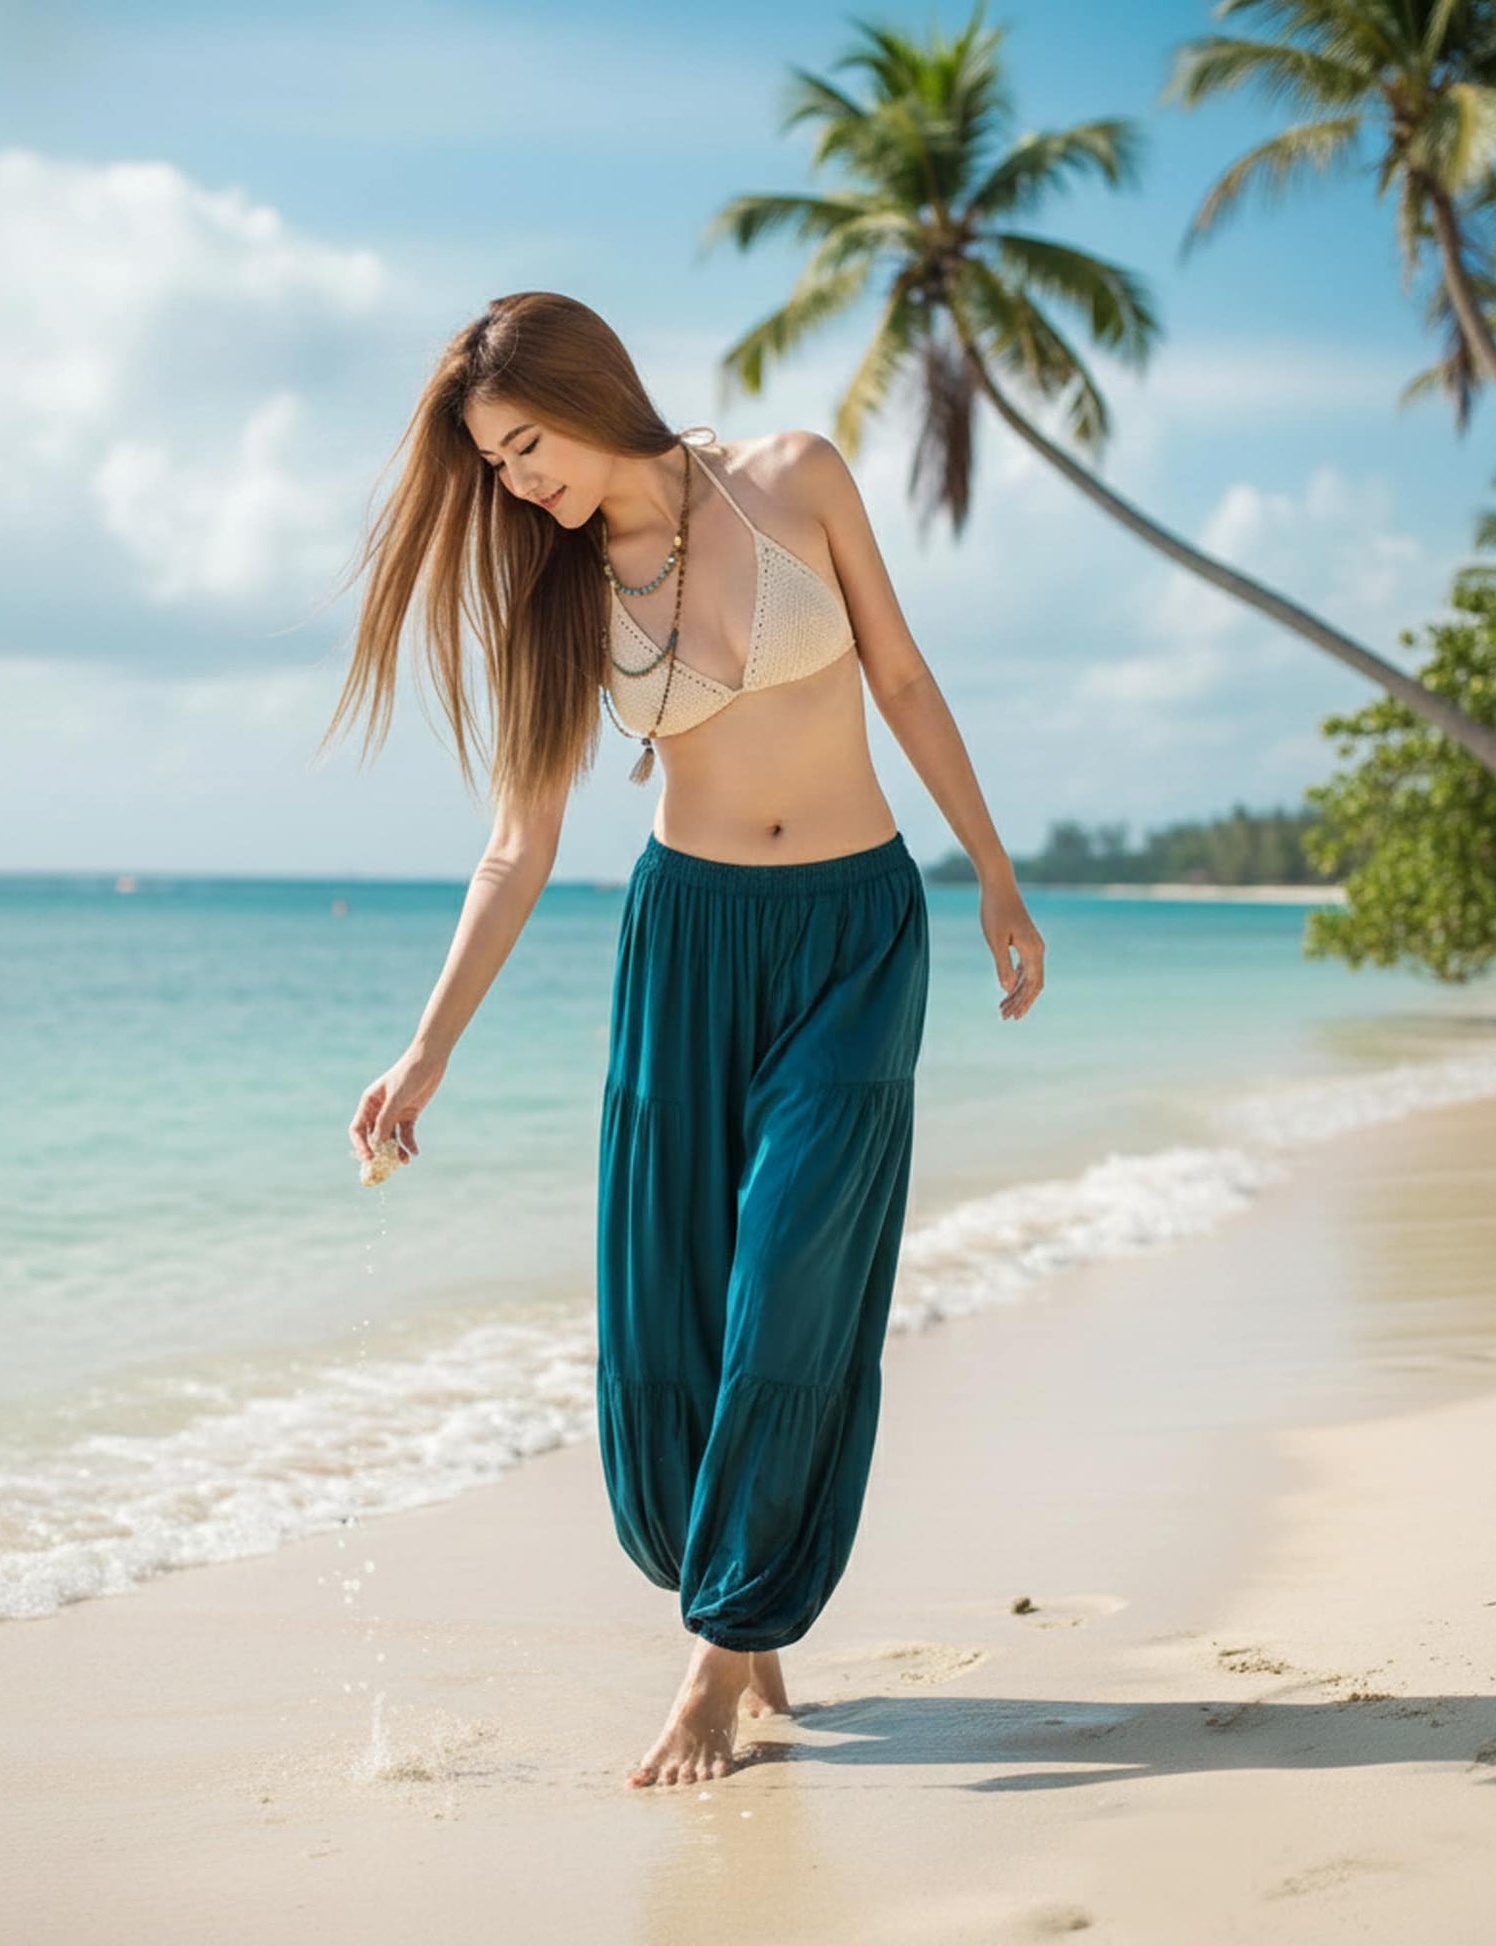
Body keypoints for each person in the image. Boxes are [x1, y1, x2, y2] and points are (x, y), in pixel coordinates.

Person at [330, 291, 1044, 1789]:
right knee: (680, 1310)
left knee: (793, 1275)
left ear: (593, 393)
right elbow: (516, 846)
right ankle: (739, 1601)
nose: (521, 481)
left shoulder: (794, 478)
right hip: (686, 946)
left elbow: (900, 678)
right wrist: (427, 1049)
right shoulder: (556, 599)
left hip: (855, 933)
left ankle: (716, 1663)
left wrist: (988, 867)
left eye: (529, 443)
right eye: (497, 464)